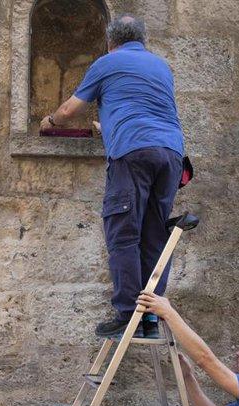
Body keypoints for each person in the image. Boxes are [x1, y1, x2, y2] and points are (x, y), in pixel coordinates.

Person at [40, 14, 186, 338]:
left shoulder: (108, 62)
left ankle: (127, 314)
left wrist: (49, 121)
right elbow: (144, 111)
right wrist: (108, 128)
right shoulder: (161, 66)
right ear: (143, 39)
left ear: (110, 41)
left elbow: (69, 111)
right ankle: (150, 318)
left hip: (133, 153)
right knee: (153, 236)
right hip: (171, 154)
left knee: (123, 233)